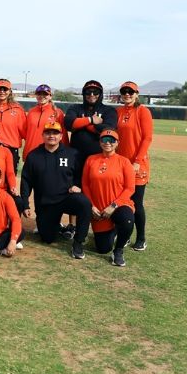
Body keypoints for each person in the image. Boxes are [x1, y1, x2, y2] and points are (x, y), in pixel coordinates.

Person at [20, 122, 92, 259]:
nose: (51, 136)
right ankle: (56, 225)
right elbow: (26, 181)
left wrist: (78, 185)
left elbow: (82, 175)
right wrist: (25, 204)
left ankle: (78, 242)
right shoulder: (34, 156)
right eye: (48, 133)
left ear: (61, 136)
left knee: (84, 204)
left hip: (67, 198)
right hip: (46, 203)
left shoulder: (72, 154)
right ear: (43, 135)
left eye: (55, 133)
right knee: (47, 238)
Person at [63, 80, 118, 238]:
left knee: (99, 190)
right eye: (88, 92)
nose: (92, 95)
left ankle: (106, 225)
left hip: (99, 159)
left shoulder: (108, 110)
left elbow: (109, 128)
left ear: (100, 94)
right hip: (76, 157)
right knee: (74, 188)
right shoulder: (75, 108)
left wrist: (81, 124)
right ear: (83, 94)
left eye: (95, 92)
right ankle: (72, 225)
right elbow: (68, 123)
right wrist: (91, 120)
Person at [82, 129, 135, 267]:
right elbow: (85, 185)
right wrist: (91, 205)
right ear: (100, 142)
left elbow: (130, 188)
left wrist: (113, 206)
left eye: (112, 140)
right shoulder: (91, 159)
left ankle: (118, 251)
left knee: (127, 219)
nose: (108, 143)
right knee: (103, 248)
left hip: (118, 205)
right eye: (104, 140)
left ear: (117, 143)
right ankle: (114, 230)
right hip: (99, 210)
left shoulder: (124, 162)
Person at [115, 81, 153, 252]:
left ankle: (141, 238)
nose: (127, 94)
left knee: (136, 202)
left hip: (137, 165)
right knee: (121, 200)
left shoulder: (143, 111)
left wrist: (137, 161)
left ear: (137, 94)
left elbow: (147, 138)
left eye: (130, 92)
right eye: (124, 91)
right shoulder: (118, 111)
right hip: (120, 164)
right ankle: (124, 234)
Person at [22, 84, 65, 161]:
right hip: (30, 152)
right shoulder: (31, 112)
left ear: (50, 96)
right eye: (39, 94)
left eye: (45, 94)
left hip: (50, 153)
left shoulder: (57, 113)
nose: (42, 96)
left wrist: (64, 153)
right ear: (36, 96)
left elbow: (63, 136)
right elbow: (25, 133)